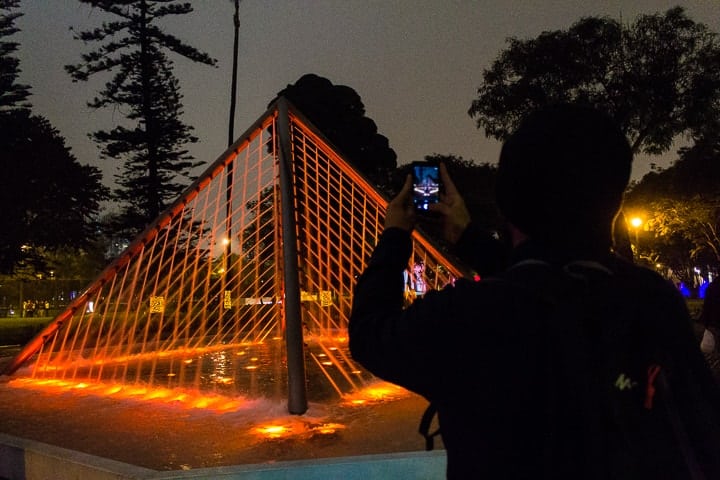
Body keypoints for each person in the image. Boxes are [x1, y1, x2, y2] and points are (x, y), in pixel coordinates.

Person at [349, 104, 720, 479]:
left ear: (505, 200)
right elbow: (549, 283)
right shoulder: (651, 300)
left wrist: (396, 235)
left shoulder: (470, 314)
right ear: (614, 199)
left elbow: (369, 333)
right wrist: (468, 239)